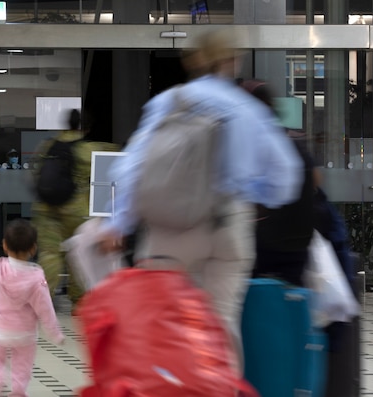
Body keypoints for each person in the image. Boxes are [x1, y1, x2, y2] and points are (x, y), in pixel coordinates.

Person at [97, 29, 304, 366]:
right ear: (231, 61)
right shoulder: (249, 109)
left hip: (171, 229)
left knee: (164, 326)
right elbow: (286, 175)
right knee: (221, 327)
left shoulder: (170, 102)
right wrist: (255, 195)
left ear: (192, 60)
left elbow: (132, 165)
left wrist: (118, 221)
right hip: (229, 228)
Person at [31, 108, 118, 306]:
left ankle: (43, 300)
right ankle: (79, 300)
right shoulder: (85, 149)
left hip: (45, 210)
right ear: (85, 128)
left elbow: (34, 175)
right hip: (74, 210)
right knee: (78, 252)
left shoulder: (48, 146)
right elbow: (104, 163)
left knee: (49, 254)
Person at [241, 79, 317, 287]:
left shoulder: (255, 144)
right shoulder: (295, 140)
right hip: (297, 242)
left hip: (262, 245)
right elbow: (315, 186)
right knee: (290, 301)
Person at [0, 218, 64, 397]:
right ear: (33, 248)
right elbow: (45, 308)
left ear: (5, 245)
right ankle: (18, 390)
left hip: (1, 330)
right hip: (25, 334)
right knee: (22, 363)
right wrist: (55, 333)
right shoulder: (36, 277)